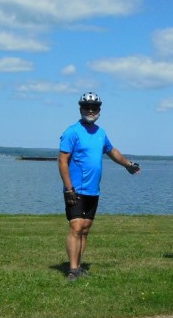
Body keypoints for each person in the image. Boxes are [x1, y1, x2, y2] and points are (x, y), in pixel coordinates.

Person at [58, 92, 140, 281]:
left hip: (93, 189)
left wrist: (128, 165)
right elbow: (62, 161)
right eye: (87, 107)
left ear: (99, 111)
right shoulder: (72, 132)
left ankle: (78, 266)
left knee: (85, 228)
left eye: (94, 108)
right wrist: (68, 188)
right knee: (76, 226)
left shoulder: (101, 133)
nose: (90, 110)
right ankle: (72, 271)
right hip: (75, 189)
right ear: (80, 109)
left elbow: (112, 152)